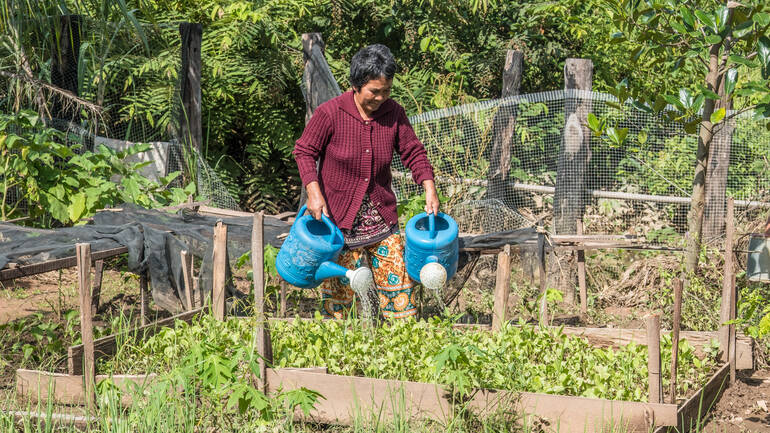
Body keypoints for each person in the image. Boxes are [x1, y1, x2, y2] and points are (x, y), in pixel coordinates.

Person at [293, 44, 439, 319]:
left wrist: (428, 186)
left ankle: (402, 353)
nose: (381, 98)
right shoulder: (331, 113)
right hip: (338, 224)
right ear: (356, 86)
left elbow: (413, 151)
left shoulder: (394, 113)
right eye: (374, 91)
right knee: (339, 306)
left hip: (381, 220)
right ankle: (340, 357)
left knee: (400, 300)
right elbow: (304, 151)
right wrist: (313, 193)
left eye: (386, 91)